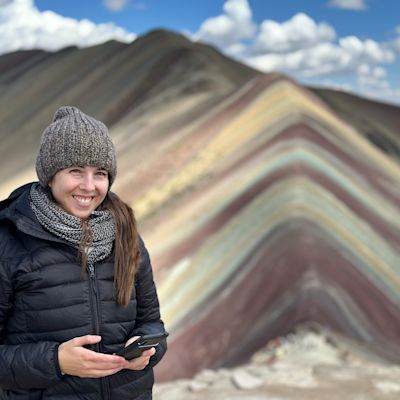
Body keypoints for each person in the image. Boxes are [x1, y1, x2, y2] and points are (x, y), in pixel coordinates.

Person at [0, 106, 167, 399]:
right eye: (75, 171)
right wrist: (56, 361)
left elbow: (152, 321)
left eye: (99, 173)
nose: (88, 187)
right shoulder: (8, 241)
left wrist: (149, 350)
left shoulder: (125, 235)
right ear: (50, 176)